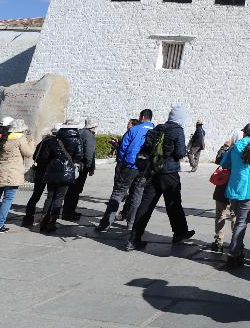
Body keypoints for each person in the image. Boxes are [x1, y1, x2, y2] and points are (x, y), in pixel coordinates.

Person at [126, 105, 195, 251]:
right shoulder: (177, 130)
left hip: (153, 171)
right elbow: (180, 152)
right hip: (169, 172)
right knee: (173, 203)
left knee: (146, 204)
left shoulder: (159, 127)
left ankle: (133, 239)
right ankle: (180, 232)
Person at [95, 110, 154, 232]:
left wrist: (121, 163)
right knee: (137, 195)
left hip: (130, 165)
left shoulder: (134, 129)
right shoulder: (156, 131)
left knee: (118, 193)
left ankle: (106, 224)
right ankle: (131, 223)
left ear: (142, 117)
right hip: (145, 168)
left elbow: (123, 148)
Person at [220, 123, 250, 268]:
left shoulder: (236, 146)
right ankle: (234, 253)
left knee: (237, 221)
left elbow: (225, 163)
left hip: (234, 189)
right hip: (249, 190)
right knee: (241, 222)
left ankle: (237, 249)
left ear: (245, 133)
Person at [0, 119, 34, 233]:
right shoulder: (20, 139)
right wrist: (31, 142)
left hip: (0, 171)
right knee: (7, 200)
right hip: (13, 173)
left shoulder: (3, 137)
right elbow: (28, 153)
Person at [40, 120, 85, 233]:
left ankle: (43, 221)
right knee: (59, 197)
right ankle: (52, 222)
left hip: (52, 169)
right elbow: (78, 156)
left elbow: (45, 156)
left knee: (50, 196)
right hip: (67, 170)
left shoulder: (54, 139)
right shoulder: (77, 139)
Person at [62, 117, 97, 221]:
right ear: (94, 126)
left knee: (71, 190)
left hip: (73, 164)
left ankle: (67, 211)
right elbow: (89, 152)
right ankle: (69, 213)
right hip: (82, 166)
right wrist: (90, 166)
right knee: (76, 190)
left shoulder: (79, 132)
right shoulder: (89, 135)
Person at [210, 134, 237, 252]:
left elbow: (218, 160)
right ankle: (235, 241)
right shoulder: (245, 150)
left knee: (220, 214)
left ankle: (218, 241)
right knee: (235, 215)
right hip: (235, 186)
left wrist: (225, 145)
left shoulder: (230, 150)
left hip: (223, 185)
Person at [21, 129, 53, 227]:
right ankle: (45, 218)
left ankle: (28, 218)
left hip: (39, 172)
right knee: (50, 196)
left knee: (35, 195)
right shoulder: (55, 143)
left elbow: (35, 157)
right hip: (50, 172)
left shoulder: (41, 144)